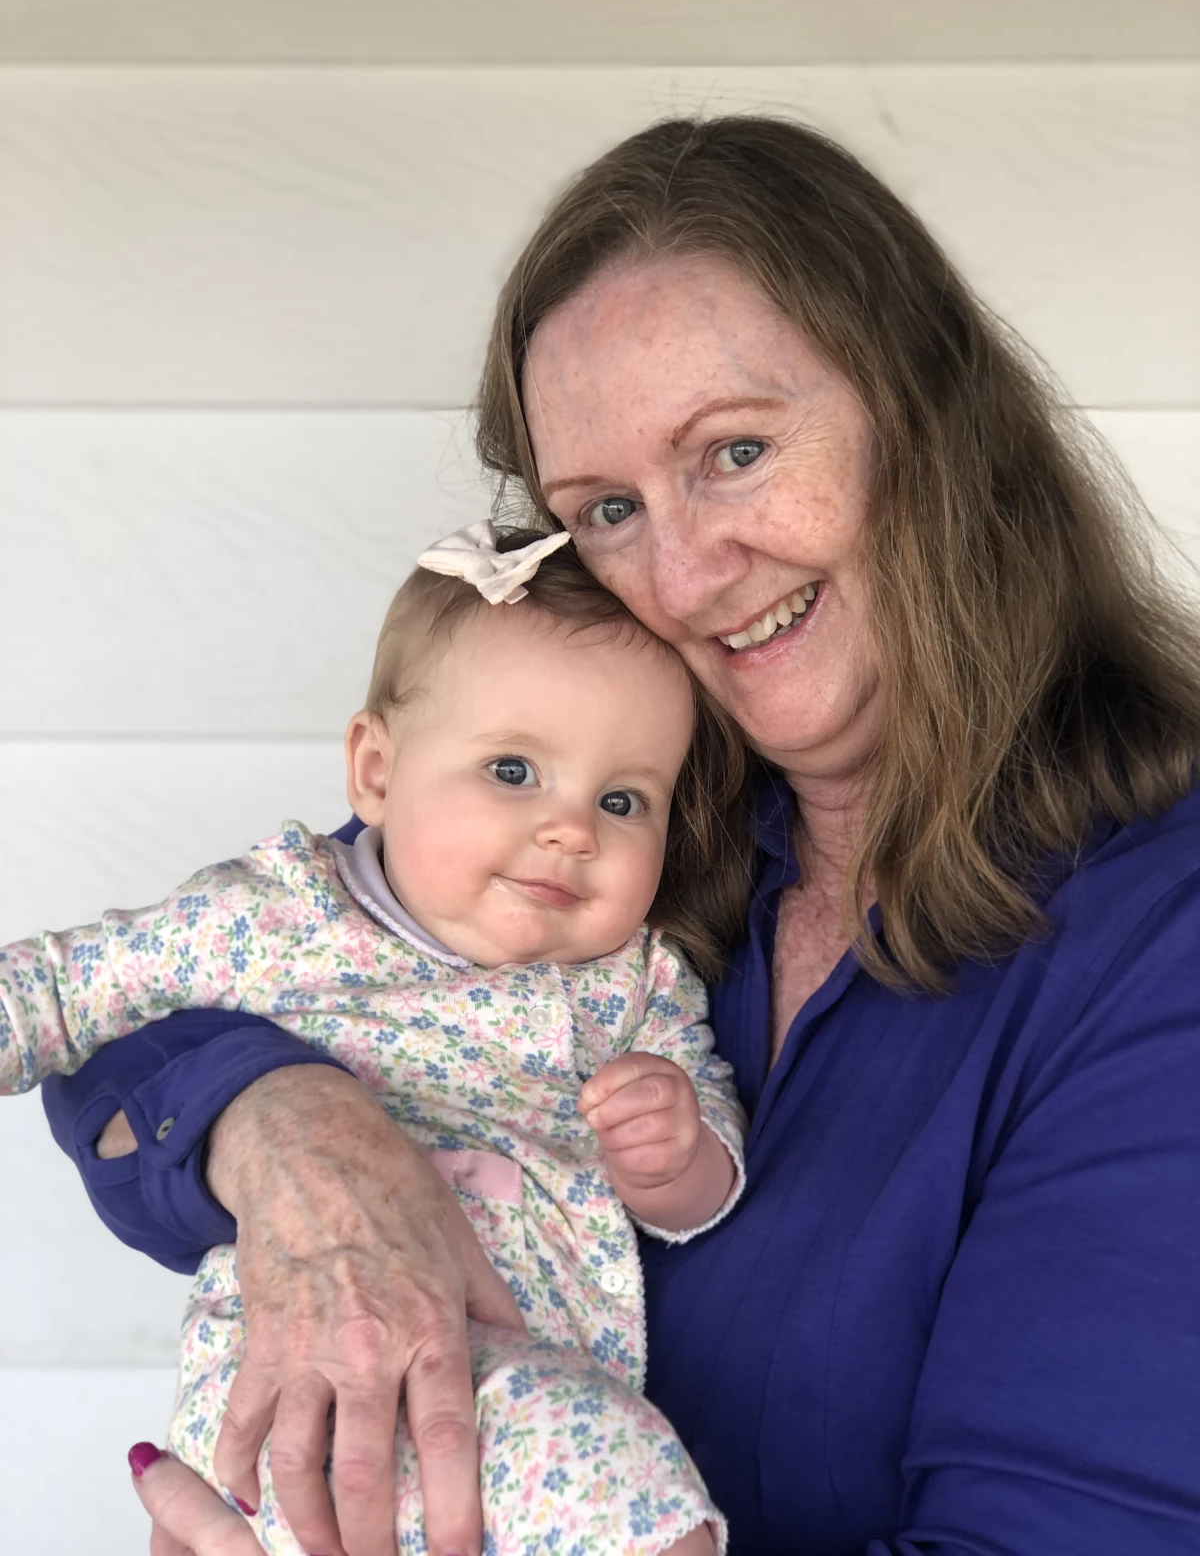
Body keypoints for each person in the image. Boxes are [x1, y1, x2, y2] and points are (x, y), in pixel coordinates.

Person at [43, 114, 1200, 1556]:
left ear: (929, 422)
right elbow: (160, 1009)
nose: (686, 573)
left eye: (736, 451)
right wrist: (292, 1128)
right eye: (607, 508)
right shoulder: (605, 823)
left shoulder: (1159, 933)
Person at [7, 528, 759, 1554]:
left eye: (622, 800)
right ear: (376, 769)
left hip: (523, 1418)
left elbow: (705, 1157)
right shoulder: (276, 916)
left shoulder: (631, 982)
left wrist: (674, 1158)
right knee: (639, 1493)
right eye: (513, 769)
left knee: (643, 1502)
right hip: (298, 1394)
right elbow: (60, 992)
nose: (573, 829)